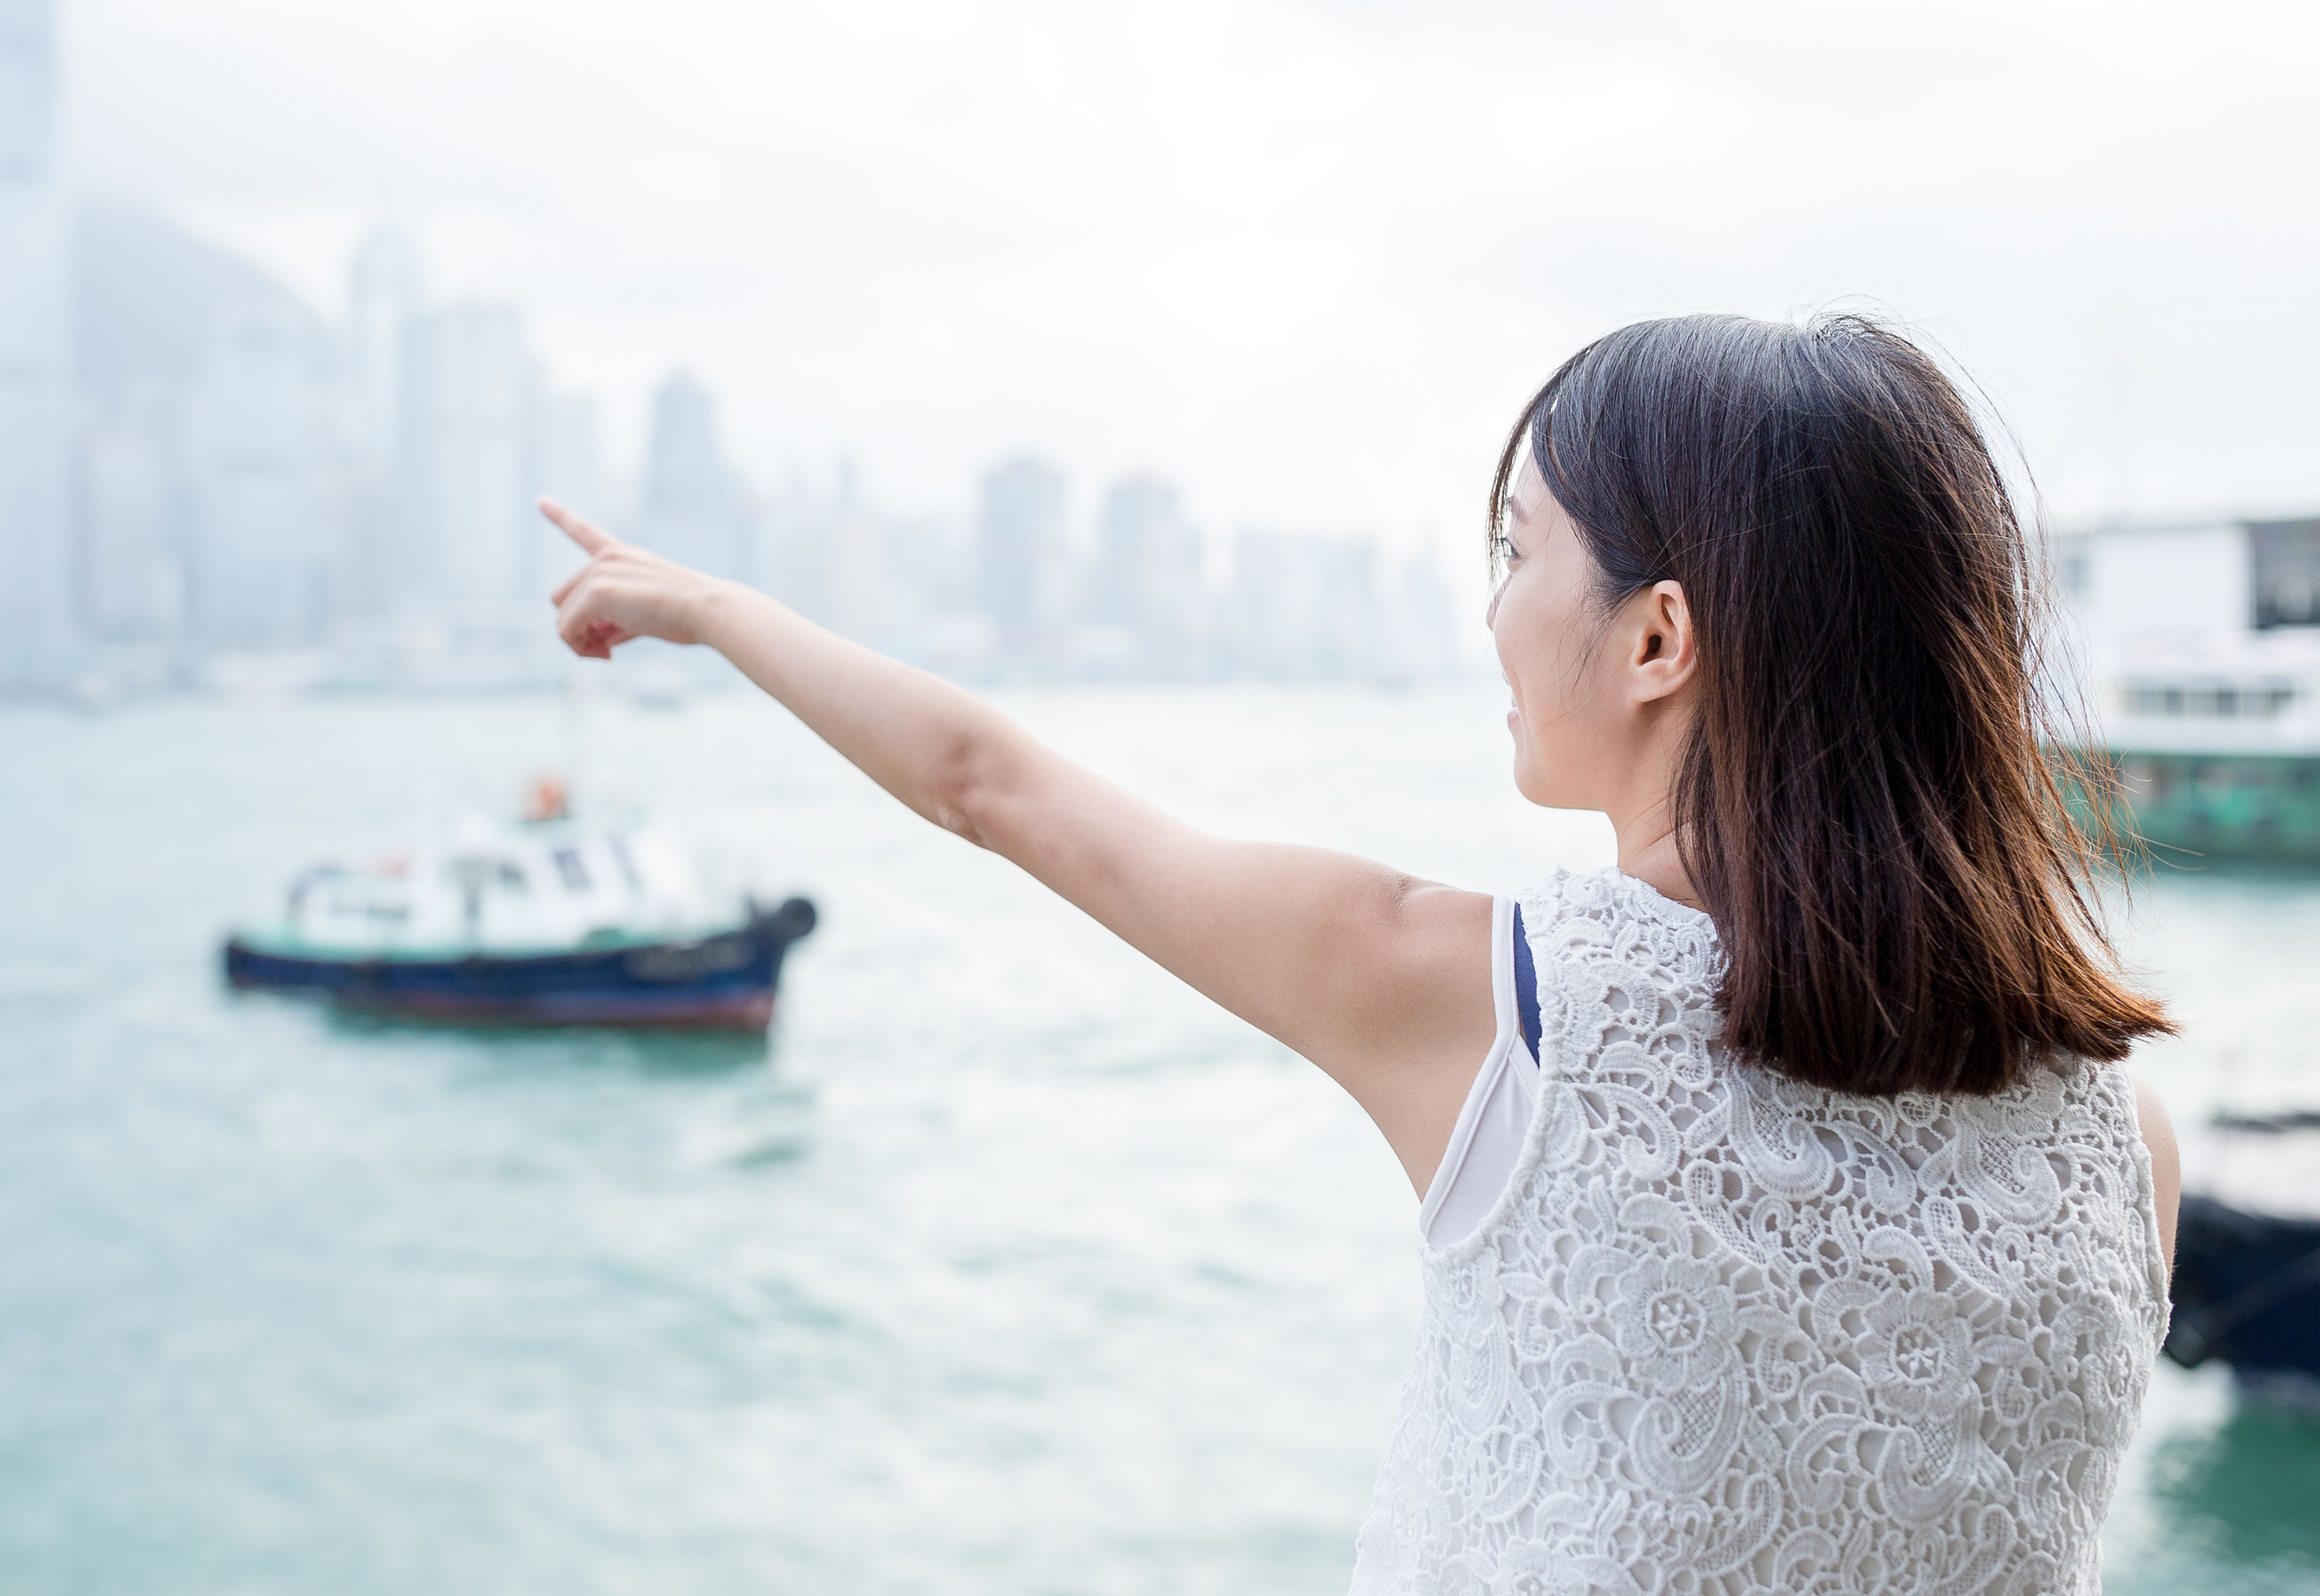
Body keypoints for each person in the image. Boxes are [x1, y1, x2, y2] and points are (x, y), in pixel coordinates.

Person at [537, 312, 2180, 1595]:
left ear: (1659, 636)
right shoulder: (2128, 1148)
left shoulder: (1499, 1015)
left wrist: (719, 611)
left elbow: (993, 791)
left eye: (1517, 552)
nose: (1492, 615)